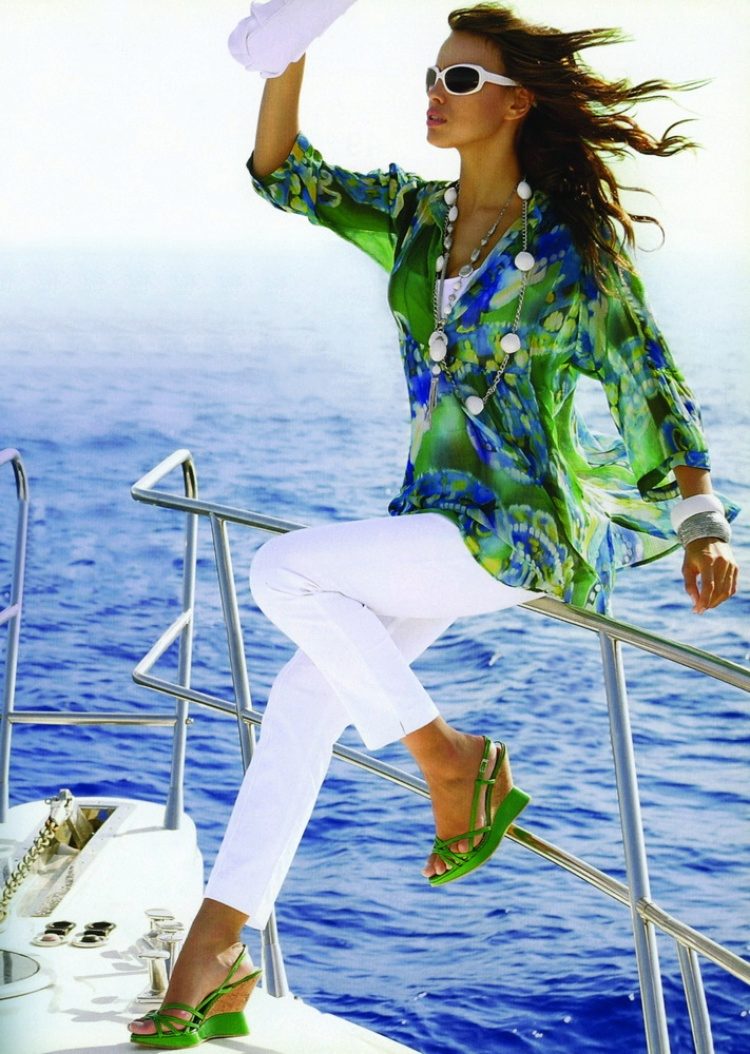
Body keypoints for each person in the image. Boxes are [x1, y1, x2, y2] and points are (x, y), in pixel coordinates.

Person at [128, 1, 739, 1046]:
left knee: (283, 573)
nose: (434, 95)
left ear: (516, 103)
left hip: (521, 527)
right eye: (431, 77)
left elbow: (650, 375)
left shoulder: (568, 250)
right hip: (432, 519)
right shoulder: (415, 217)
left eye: (459, 80)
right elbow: (284, 173)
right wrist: (287, 49)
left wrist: (703, 521)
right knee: (302, 697)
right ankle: (215, 956)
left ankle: (451, 760)